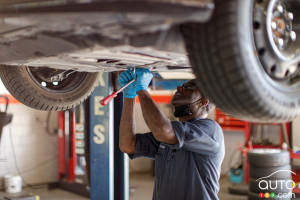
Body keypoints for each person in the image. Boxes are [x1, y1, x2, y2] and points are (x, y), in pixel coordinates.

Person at [118, 68, 225, 200]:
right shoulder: (171, 134)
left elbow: (164, 131)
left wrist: (142, 89)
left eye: (189, 88)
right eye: (182, 86)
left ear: (204, 101)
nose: (179, 88)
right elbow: (128, 145)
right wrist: (129, 96)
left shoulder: (210, 129)